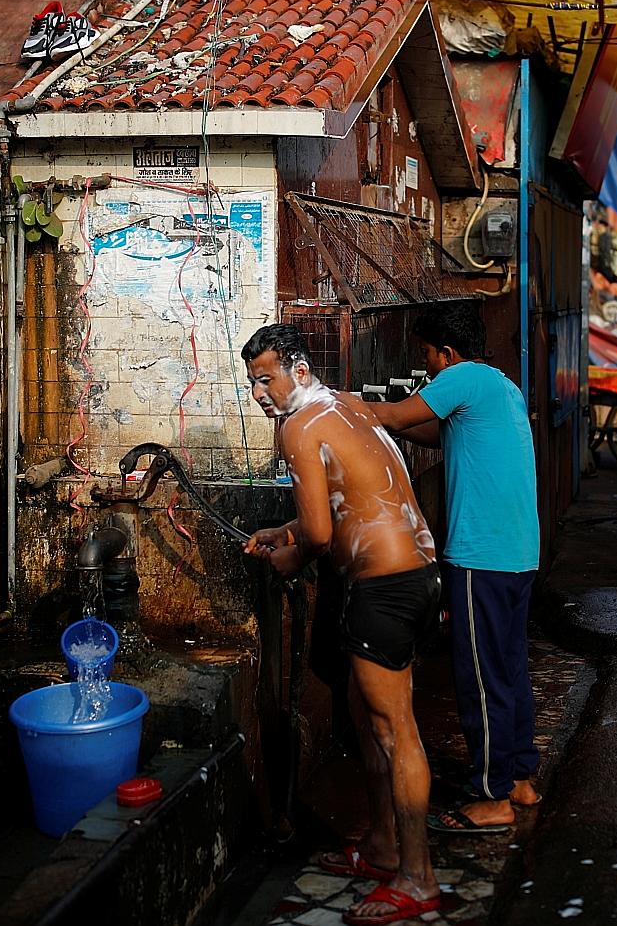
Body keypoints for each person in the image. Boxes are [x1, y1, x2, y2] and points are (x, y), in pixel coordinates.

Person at [239, 324, 442, 926]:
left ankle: (418, 878)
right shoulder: (346, 408)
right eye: (251, 382)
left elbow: (321, 536)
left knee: (394, 729)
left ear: (298, 371)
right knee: (363, 709)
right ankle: (382, 847)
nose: (258, 393)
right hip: (417, 575)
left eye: (266, 379)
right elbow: (339, 505)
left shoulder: (297, 427)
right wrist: (287, 531)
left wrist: (288, 556)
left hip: (384, 587)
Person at [369, 304, 542, 833]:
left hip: (480, 555)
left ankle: (491, 797)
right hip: (517, 555)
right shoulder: (499, 386)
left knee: (479, 676)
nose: (427, 368)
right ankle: (519, 778)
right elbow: (431, 434)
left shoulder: (460, 376)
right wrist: (390, 419)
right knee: (509, 666)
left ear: (447, 352)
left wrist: (341, 403)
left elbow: (399, 417)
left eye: (427, 356)